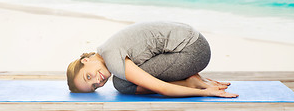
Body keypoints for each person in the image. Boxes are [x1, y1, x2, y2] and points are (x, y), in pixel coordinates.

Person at [66, 21, 238, 98]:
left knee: (122, 84)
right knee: (122, 80)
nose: (98, 81)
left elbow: (162, 89)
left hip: (193, 52)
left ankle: (191, 82)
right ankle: (192, 78)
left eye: (88, 77)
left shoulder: (113, 59)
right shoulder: (105, 48)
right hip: (194, 41)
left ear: (85, 61)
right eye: (94, 86)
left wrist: (205, 92)